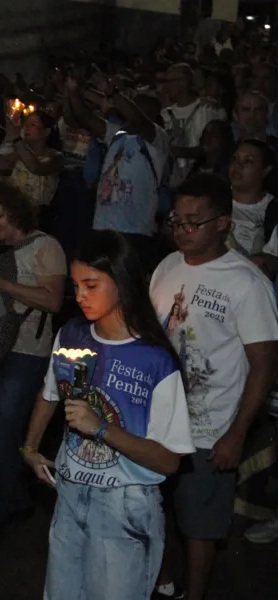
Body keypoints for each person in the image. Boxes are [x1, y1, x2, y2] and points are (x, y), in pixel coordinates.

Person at [22, 229, 194, 600]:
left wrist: (101, 429)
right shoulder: (71, 334)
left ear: (123, 281)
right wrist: (31, 447)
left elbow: (169, 460)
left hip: (125, 504)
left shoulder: (155, 361)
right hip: (70, 493)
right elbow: (49, 394)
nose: (80, 296)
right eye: (75, 285)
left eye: (91, 284)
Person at [149, 173, 278, 600]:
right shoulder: (166, 267)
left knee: (200, 525)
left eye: (193, 222)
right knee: (160, 508)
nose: (182, 231)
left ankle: (197, 593)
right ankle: (163, 580)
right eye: (176, 221)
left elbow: (264, 364)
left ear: (224, 223)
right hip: (161, 420)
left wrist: (236, 434)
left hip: (210, 427)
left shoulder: (245, 282)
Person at [0, 183, 66, 544]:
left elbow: (53, 301)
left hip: (28, 351)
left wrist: (1, 284)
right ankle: (16, 498)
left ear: (16, 211)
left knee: (6, 427)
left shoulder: (46, 246)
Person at [66, 75, 170, 273]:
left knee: (128, 287)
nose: (127, 111)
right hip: (103, 227)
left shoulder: (157, 139)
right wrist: (73, 91)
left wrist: (113, 93)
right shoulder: (118, 133)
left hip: (134, 231)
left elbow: (139, 120)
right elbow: (85, 118)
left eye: (136, 106)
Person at [0, 111, 63, 212]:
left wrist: (16, 138)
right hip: (16, 213)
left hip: (41, 214)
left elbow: (36, 167)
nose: (27, 127)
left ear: (46, 132)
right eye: (25, 124)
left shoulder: (55, 157)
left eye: (33, 124)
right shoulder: (17, 156)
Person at [229, 139, 275, 256]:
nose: (238, 165)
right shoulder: (212, 197)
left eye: (248, 161)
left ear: (265, 170)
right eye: (235, 158)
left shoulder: (273, 210)